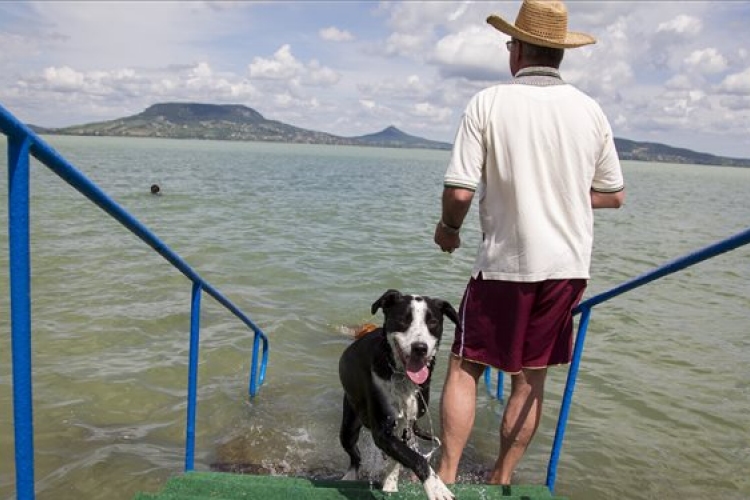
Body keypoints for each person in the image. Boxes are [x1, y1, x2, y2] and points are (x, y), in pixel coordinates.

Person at [433, 0, 625, 486]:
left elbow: (459, 191)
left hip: (504, 266)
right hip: (567, 268)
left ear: (516, 48)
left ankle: (447, 477)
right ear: (559, 53)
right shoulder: (590, 110)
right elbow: (612, 195)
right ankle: (501, 479)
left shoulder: (489, 102)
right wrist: (562, 198)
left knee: (464, 366)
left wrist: (449, 229)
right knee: (531, 375)